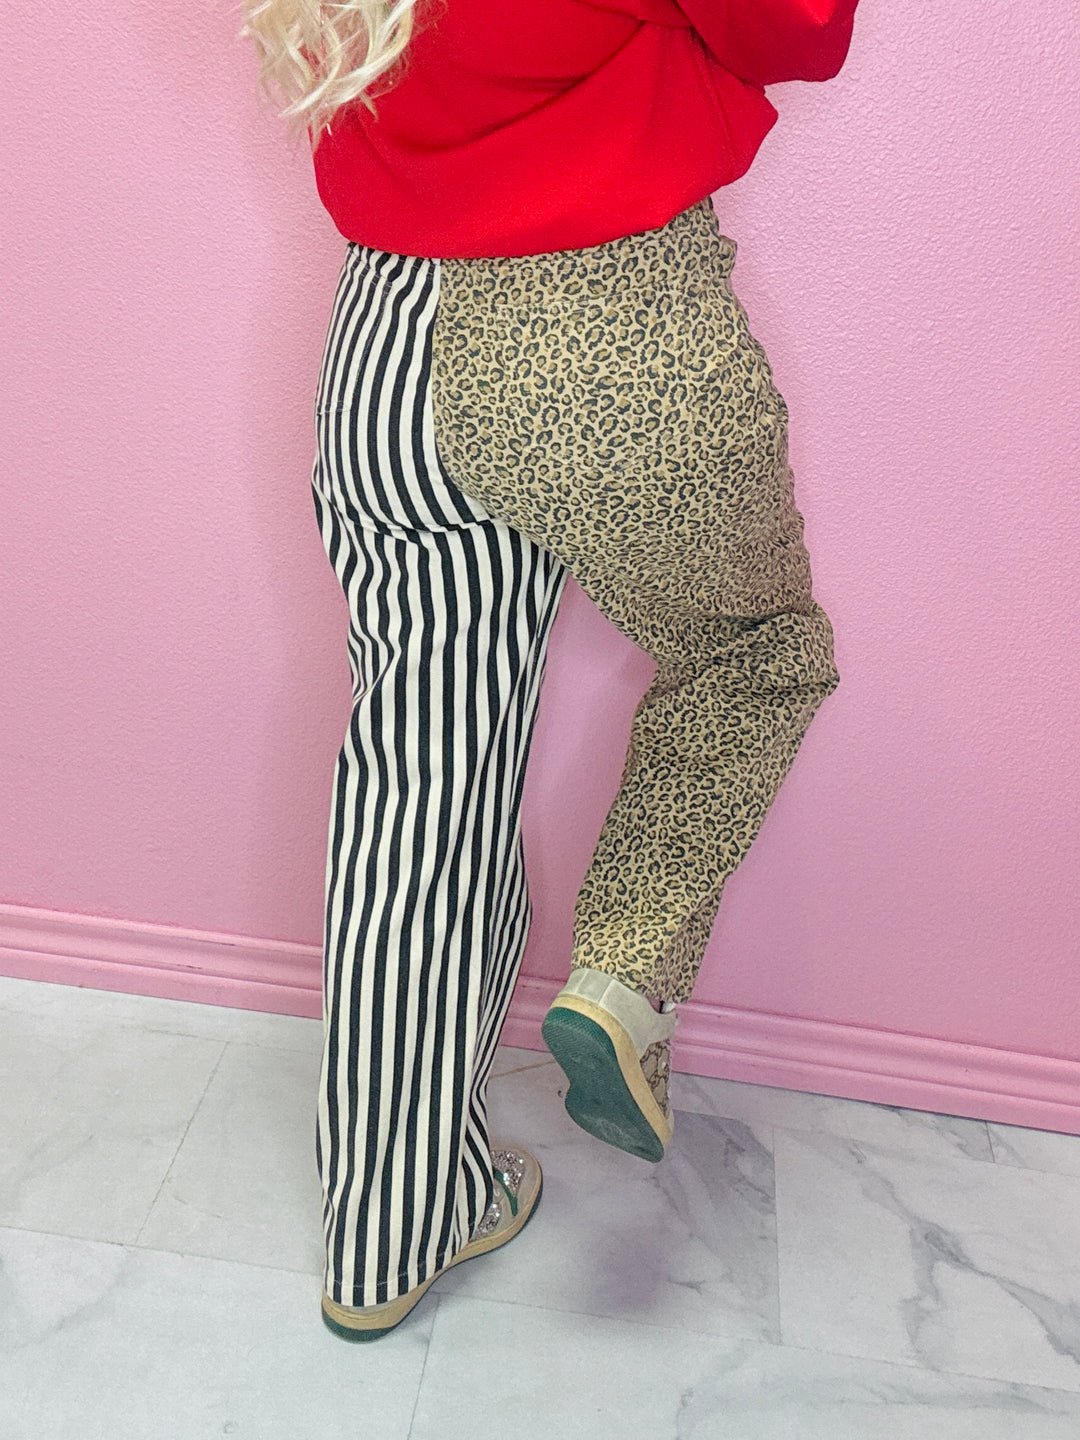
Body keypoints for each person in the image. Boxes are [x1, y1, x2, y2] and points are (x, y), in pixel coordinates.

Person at [243, 0, 859, 1342]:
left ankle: (389, 1225)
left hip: (385, 333)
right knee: (755, 653)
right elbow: (797, 28)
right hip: (598, 314)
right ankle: (623, 976)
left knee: (420, 774)